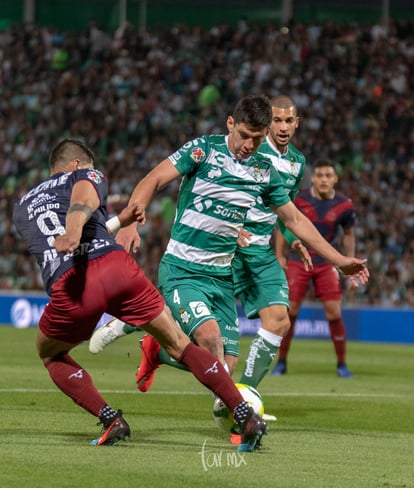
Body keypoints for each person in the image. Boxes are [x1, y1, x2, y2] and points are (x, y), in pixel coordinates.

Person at [89, 96, 368, 396]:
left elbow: (294, 219)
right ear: (230, 124)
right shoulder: (203, 150)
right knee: (210, 339)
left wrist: (338, 259)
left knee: (224, 366)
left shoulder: (265, 171)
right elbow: (154, 179)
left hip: (222, 275)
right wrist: (130, 220)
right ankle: (241, 414)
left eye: (257, 139)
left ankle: (160, 354)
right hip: (184, 267)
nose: (249, 145)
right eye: (244, 136)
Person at [12, 138, 269, 452]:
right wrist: (76, 227)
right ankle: (244, 414)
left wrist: (117, 221)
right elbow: (83, 198)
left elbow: (73, 230)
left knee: (50, 354)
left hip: (74, 286)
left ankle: (110, 419)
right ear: (77, 165)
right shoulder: (84, 176)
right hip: (115, 268)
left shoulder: (22, 206)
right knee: (179, 343)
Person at [233, 95, 309, 404]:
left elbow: (285, 211)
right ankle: (134, 327)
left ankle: (246, 394)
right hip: (227, 242)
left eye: (288, 120)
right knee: (194, 328)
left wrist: (294, 238)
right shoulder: (250, 146)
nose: (282, 127)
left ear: (296, 123)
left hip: (259, 250)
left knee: (279, 318)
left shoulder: (297, 162)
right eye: (276, 120)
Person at [271, 159, 357, 378]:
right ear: (313, 178)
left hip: (326, 263)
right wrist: (280, 254)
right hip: (298, 260)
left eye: (328, 175)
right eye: (320, 175)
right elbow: (283, 226)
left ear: (335, 178)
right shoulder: (299, 200)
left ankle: (341, 364)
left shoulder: (344, 205)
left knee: (334, 312)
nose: (324, 179)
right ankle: (281, 362)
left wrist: (348, 261)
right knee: (290, 311)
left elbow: (348, 235)